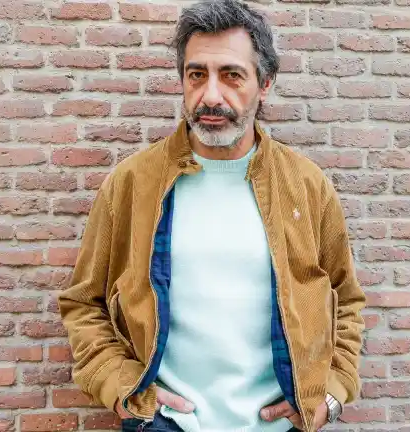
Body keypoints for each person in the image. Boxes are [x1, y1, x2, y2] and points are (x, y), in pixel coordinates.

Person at [57, 0, 367, 431]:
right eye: (197, 75)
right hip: (166, 424)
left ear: (265, 83)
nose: (211, 96)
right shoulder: (132, 183)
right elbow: (83, 302)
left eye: (232, 75)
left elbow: (346, 300)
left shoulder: (306, 186)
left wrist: (330, 395)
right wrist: (122, 387)